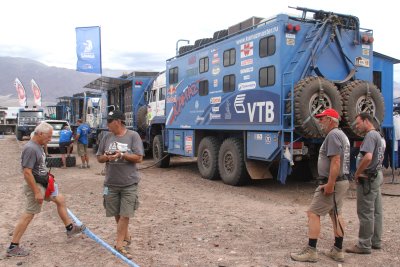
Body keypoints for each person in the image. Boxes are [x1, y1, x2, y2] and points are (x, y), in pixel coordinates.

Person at [6, 122, 83, 257]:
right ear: (40, 134)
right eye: (48, 136)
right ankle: (13, 246)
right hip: (36, 185)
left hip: (44, 183)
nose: (50, 139)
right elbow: (27, 172)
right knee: (29, 214)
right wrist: (36, 192)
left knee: (60, 199)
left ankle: (70, 228)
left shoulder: (37, 145)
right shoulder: (30, 148)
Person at [291, 108, 350, 262]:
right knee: (336, 214)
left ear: (330, 120)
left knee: (313, 213)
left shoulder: (333, 135)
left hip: (334, 182)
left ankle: (311, 250)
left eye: (322, 118)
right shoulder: (341, 135)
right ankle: (338, 250)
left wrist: (330, 184)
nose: (320, 122)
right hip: (341, 181)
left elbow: (336, 160)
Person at [96, 110, 144, 259]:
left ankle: (119, 244)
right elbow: (99, 158)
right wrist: (107, 157)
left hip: (129, 183)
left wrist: (122, 155)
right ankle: (126, 236)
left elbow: (139, 158)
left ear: (117, 121)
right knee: (116, 213)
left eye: (109, 121)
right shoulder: (106, 137)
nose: (107, 124)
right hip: (111, 183)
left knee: (125, 214)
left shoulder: (133, 136)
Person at [345, 113, 385, 254]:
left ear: (366, 121)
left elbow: (367, 157)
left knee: (365, 212)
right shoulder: (379, 135)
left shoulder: (370, 136)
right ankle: (376, 241)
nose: (357, 126)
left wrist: (357, 173)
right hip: (376, 175)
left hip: (368, 178)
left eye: (358, 123)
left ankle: (364, 245)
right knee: (377, 211)